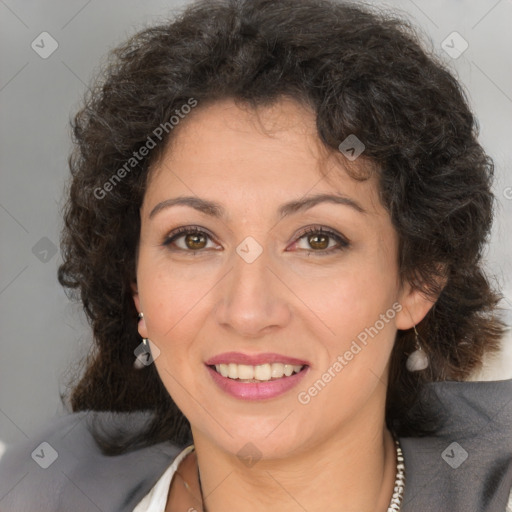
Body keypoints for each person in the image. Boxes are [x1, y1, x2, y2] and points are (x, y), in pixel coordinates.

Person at [1, 0, 511, 511]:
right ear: (136, 284)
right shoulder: (34, 486)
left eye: (317, 240)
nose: (247, 312)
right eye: (193, 239)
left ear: (417, 280)